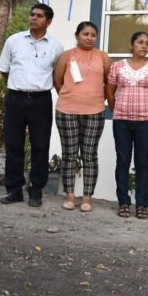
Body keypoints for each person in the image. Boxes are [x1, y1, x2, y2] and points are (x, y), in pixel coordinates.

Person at [0, 3, 64, 207]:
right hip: (16, 98)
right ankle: (14, 190)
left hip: (41, 100)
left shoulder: (56, 47)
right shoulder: (13, 41)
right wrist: (18, 86)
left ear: (48, 22)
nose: (33, 18)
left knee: (40, 146)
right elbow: (4, 70)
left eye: (39, 16)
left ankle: (36, 191)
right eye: (32, 14)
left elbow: (57, 75)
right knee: (13, 144)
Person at [106, 31, 148, 220]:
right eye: (140, 42)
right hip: (121, 122)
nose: (144, 46)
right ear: (131, 45)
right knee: (122, 161)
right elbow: (109, 92)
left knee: (142, 163)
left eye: (147, 43)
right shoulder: (117, 66)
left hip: (145, 121)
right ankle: (123, 202)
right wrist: (117, 112)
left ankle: (141, 205)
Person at [53, 21, 111, 212]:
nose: (89, 38)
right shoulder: (67, 56)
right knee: (69, 155)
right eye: (85, 34)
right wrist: (72, 97)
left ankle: (87, 198)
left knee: (89, 156)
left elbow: (108, 83)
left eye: (93, 35)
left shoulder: (102, 57)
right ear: (77, 35)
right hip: (66, 111)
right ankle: (70, 195)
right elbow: (58, 81)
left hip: (94, 112)